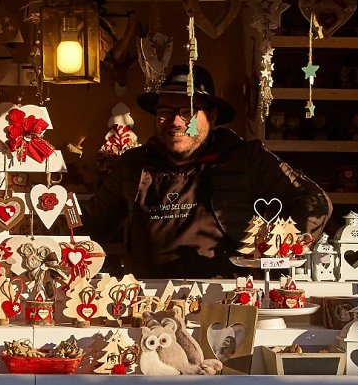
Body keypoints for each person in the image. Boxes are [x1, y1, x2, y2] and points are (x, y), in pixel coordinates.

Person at [82, 65, 331, 279]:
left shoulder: (246, 158)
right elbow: (91, 227)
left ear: (211, 116)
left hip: (229, 300)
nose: (176, 122)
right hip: (150, 302)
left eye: (188, 111)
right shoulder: (134, 164)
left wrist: (279, 246)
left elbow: (315, 202)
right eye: (164, 112)